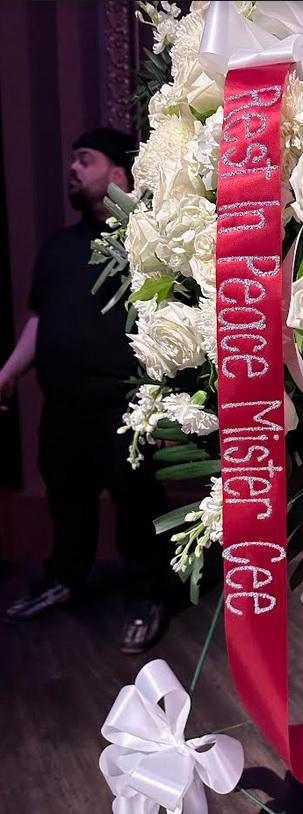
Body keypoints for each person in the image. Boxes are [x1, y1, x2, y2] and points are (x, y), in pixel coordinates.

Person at [0, 128, 169, 654]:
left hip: (125, 408)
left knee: (137, 508)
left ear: (117, 173)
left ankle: (147, 598)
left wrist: (163, 405)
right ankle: (64, 579)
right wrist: (8, 373)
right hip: (64, 406)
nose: (73, 168)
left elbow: (170, 326)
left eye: (85, 160)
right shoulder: (57, 249)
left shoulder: (149, 243)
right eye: (73, 159)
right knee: (67, 502)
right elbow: (40, 322)